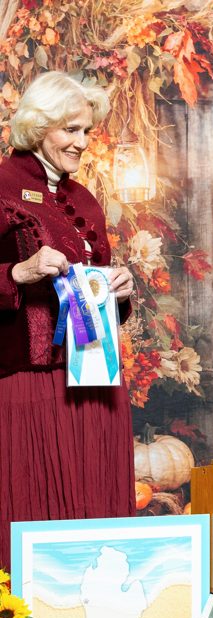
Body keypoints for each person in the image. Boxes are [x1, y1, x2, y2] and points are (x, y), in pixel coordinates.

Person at [0, 71, 136, 570]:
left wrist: (118, 291)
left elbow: (96, 289)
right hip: (29, 383)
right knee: (30, 508)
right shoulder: (2, 186)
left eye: (86, 131)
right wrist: (17, 271)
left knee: (95, 510)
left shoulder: (85, 200)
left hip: (95, 380)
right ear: (39, 127)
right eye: (70, 131)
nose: (82, 143)